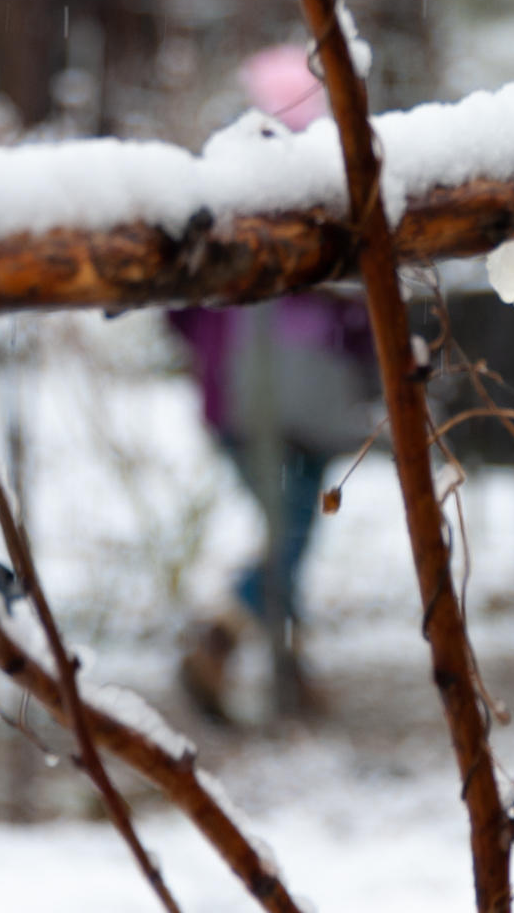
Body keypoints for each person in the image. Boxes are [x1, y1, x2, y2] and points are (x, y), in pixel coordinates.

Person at [169, 47, 381, 721]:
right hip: (284, 401)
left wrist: (211, 349)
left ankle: (285, 672)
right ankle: (228, 641)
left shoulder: (226, 187)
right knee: (291, 535)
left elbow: (181, 305)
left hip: (247, 399)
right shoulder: (326, 190)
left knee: (291, 534)